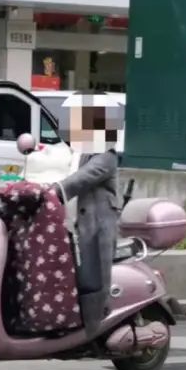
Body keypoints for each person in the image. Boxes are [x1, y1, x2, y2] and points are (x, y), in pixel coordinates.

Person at [53, 93, 124, 341]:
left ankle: (96, 329)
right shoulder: (83, 153)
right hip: (80, 226)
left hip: (99, 227)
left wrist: (54, 190)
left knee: (96, 278)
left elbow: (81, 179)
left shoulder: (106, 156)